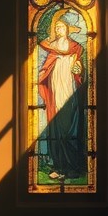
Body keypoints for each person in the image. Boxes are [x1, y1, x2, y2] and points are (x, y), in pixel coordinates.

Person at [37, 12, 88, 181]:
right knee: (57, 131)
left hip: (69, 92)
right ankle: (59, 167)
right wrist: (43, 73)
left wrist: (78, 69)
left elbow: (79, 70)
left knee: (69, 130)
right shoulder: (51, 48)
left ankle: (72, 167)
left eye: (62, 27)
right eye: (57, 27)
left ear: (67, 29)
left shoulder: (76, 48)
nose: (59, 30)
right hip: (55, 94)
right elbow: (45, 70)